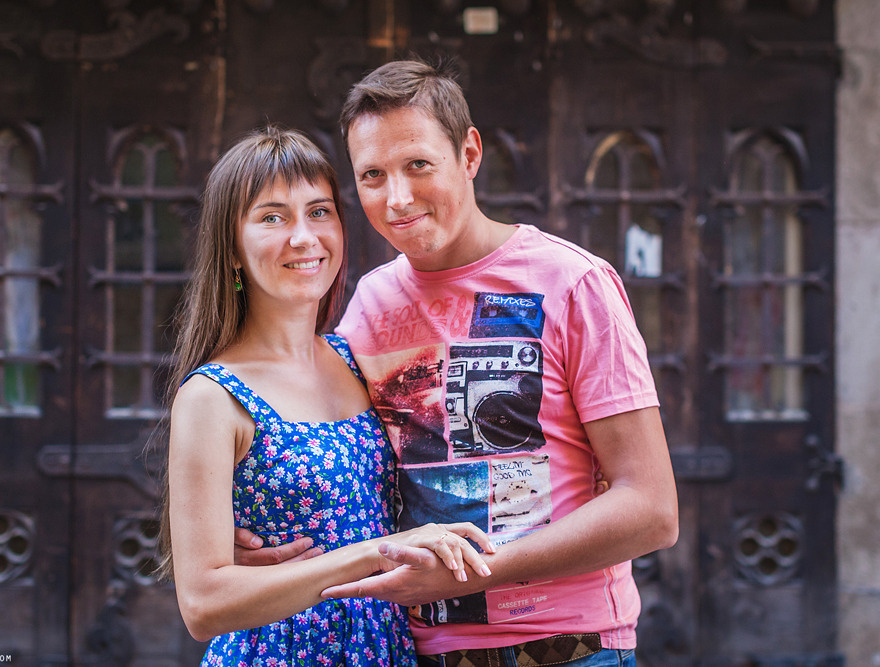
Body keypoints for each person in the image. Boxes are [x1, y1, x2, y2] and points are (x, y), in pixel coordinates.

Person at [236, 60, 680, 666]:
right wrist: (247, 538)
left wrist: (474, 570)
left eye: (418, 164)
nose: (397, 198)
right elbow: (320, 452)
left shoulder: (573, 283)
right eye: (372, 175)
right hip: (421, 650)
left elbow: (651, 510)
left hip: (568, 647)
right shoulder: (369, 304)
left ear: (469, 154)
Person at [159, 125, 496, 666]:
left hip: (385, 649)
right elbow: (202, 605)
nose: (303, 237)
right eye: (272, 218)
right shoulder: (212, 396)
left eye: (319, 212)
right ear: (232, 249)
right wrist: (370, 556)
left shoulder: (357, 358)